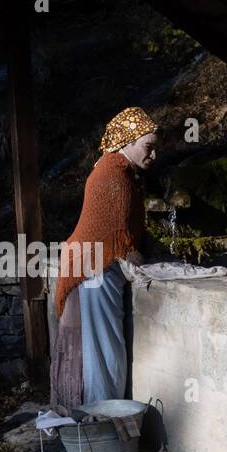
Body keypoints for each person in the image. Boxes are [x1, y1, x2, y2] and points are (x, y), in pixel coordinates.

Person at [51, 106, 158, 409]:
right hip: (93, 270)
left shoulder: (117, 171)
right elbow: (119, 237)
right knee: (102, 349)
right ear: (127, 140)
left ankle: (94, 414)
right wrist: (146, 261)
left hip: (90, 265)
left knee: (96, 347)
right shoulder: (114, 176)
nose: (153, 156)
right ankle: (104, 417)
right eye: (148, 148)